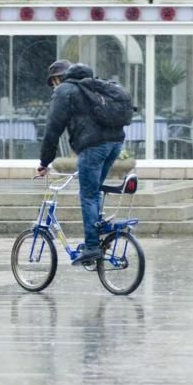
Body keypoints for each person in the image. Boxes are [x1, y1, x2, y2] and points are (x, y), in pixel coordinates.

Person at [37, 60, 125, 265]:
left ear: (57, 78)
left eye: (53, 83)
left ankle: (92, 247)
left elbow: (53, 129)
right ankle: (99, 229)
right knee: (93, 191)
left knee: (88, 194)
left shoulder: (65, 90)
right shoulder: (94, 86)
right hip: (115, 144)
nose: (54, 87)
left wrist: (44, 162)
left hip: (93, 147)